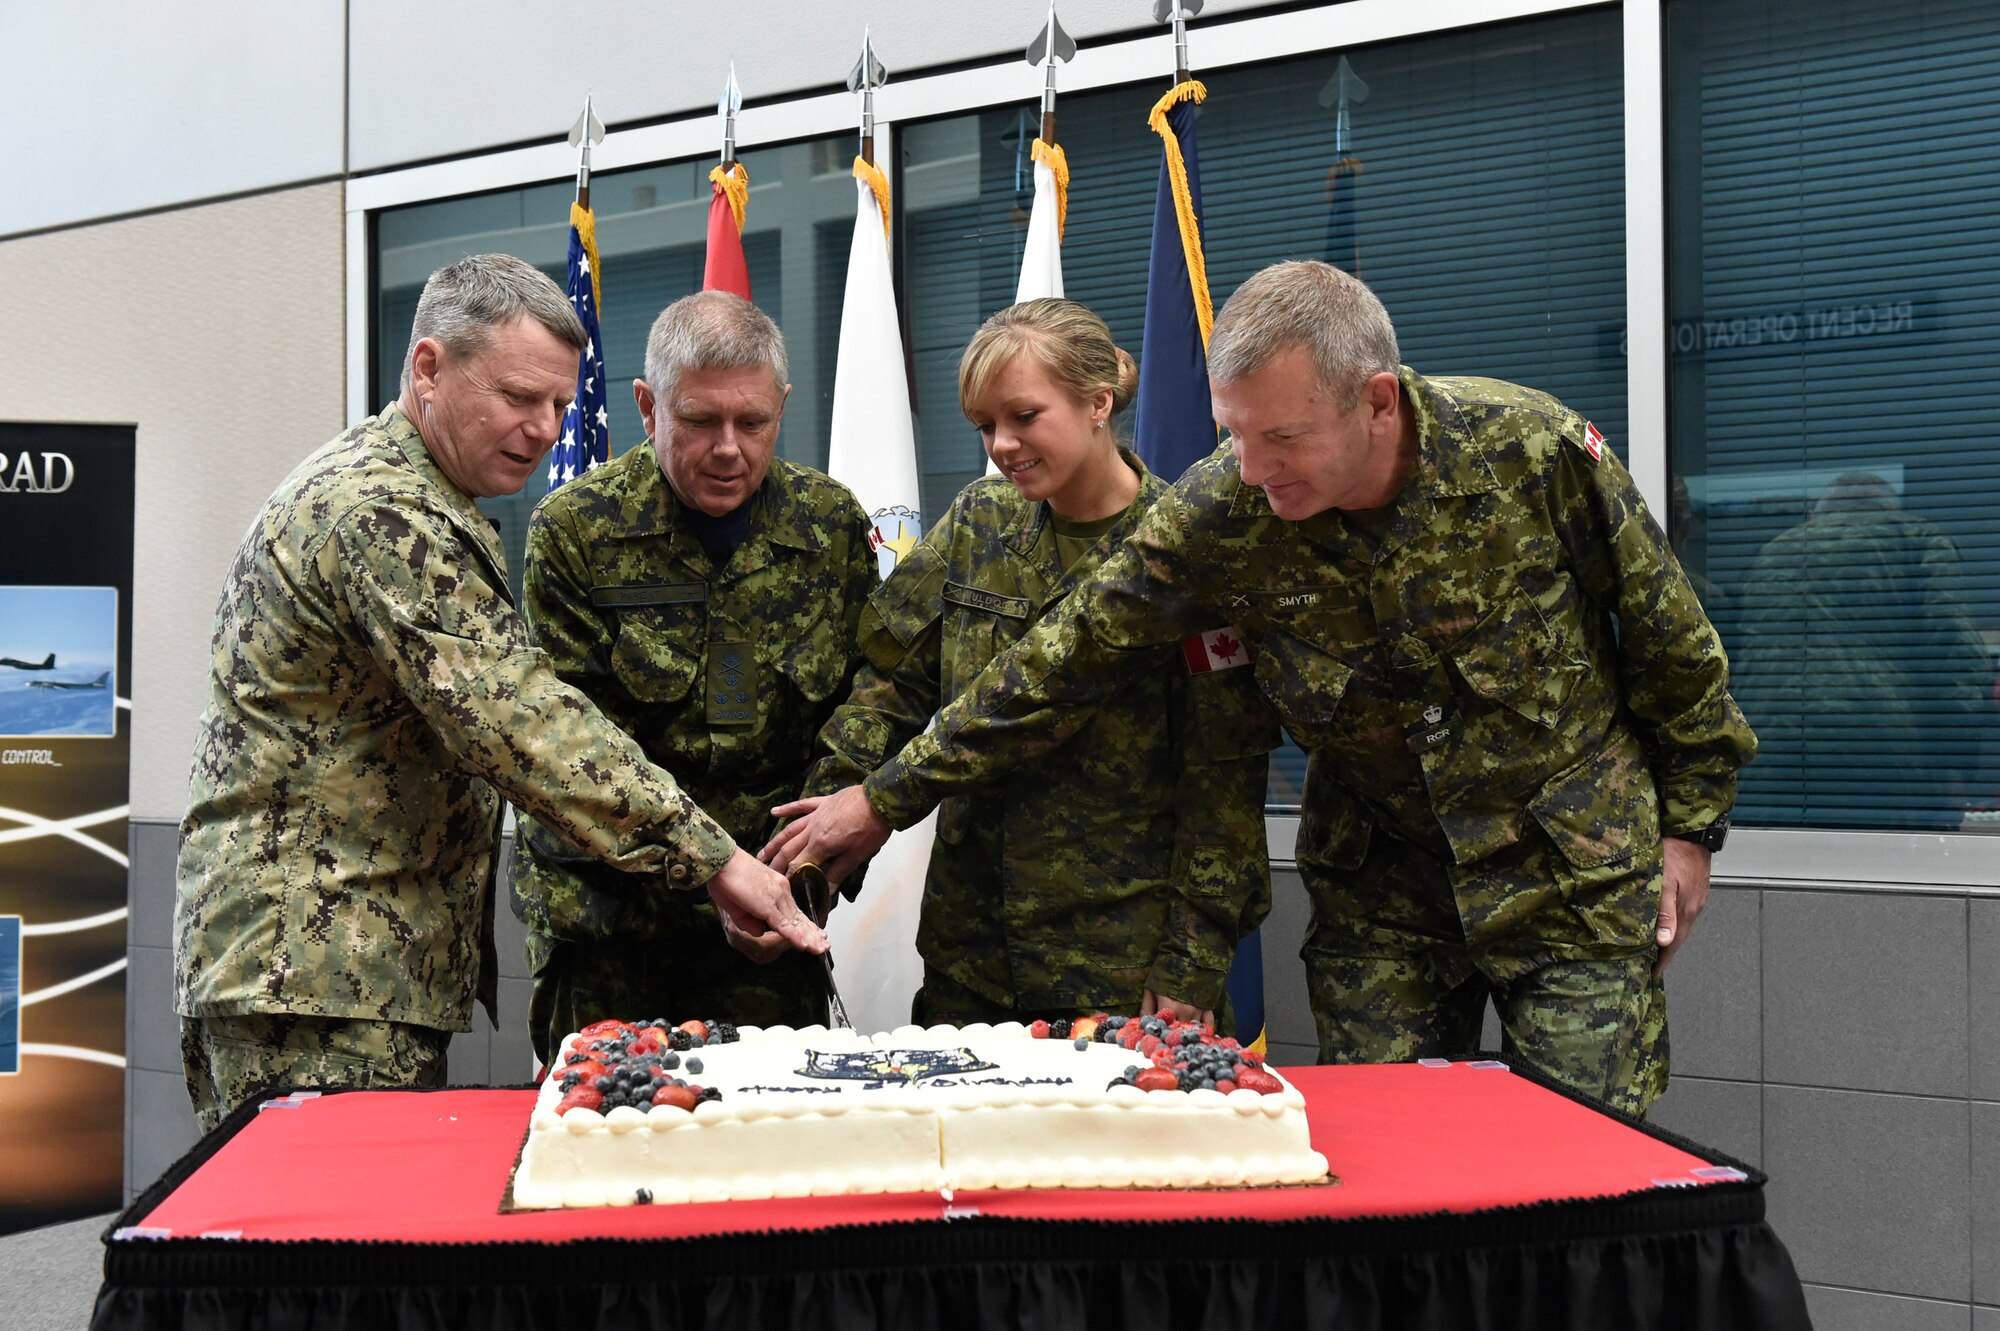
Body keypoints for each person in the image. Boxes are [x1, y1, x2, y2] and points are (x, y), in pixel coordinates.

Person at [764, 262, 1756, 1115]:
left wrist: (1687, 830)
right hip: (1384, 889)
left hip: (1564, 870)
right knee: (1393, 1174)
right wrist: (883, 794)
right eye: (1231, 433)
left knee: (1580, 1173)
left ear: (1375, 400)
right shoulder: (1225, 511)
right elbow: (1054, 660)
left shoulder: (1529, 455)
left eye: (1278, 438)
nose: (1249, 466)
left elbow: (1671, 647)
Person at [174, 255, 822, 1132]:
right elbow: (520, 722)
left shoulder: (404, 490)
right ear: (430, 368)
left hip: (334, 966)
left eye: (559, 403)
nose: (546, 427)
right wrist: (716, 858)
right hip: (318, 976)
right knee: (341, 1256)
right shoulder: (385, 512)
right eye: (520, 397)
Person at [774, 299, 1276, 1028]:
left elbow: (1223, 795)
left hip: (1117, 967)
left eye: (1024, 417)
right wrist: (813, 841)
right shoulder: (981, 521)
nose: (1002, 444)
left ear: (1098, 402)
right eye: (985, 426)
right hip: (971, 960)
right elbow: (887, 692)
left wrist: (1189, 969)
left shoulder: (1184, 557)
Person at [509, 291, 876, 1063]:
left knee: (768, 1156)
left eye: (754, 422)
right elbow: (573, 750)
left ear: (782, 405)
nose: (729, 449)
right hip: (614, 933)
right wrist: (712, 872)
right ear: (647, 406)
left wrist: (802, 869)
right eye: (701, 421)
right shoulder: (577, 533)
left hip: (770, 935)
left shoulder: (831, 525)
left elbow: (864, 707)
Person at [1733, 471, 1995, 832]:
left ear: (1817, 513)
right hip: (1879, 747)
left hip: (1771, 746)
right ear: (1892, 511)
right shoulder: (1917, 540)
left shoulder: (1773, 551)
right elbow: (1954, 657)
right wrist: (1957, 763)